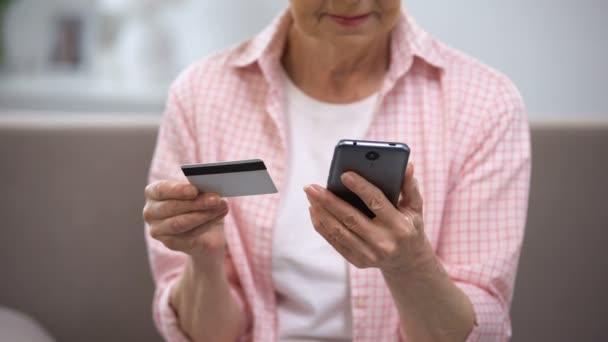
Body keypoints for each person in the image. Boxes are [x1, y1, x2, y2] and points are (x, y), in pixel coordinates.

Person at [142, 1, 531, 341]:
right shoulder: (200, 95)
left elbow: (473, 335)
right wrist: (204, 259)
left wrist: (409, 265)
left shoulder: (484, 105)